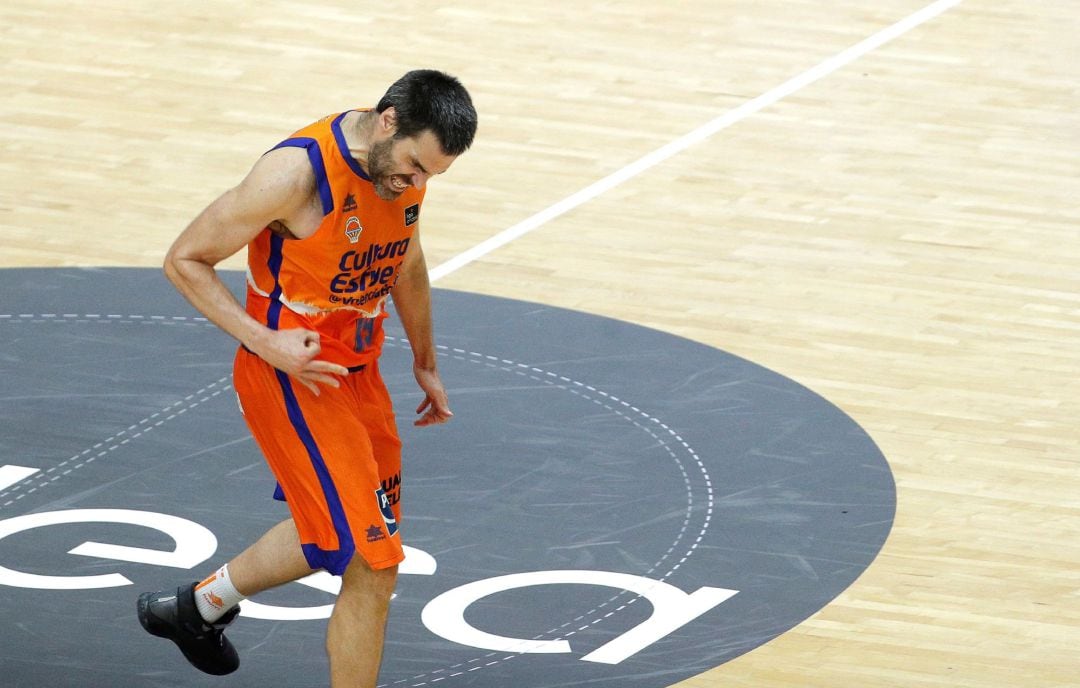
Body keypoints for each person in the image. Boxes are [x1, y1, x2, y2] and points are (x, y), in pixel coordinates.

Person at [136, 69, 477, 687]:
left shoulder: (395, 168)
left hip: (360, 375)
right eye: (413, 166)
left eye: (430, 176)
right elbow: (184, 259)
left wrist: (424, 359)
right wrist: (267, 342)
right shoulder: (294, 176)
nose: (417, 184)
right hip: (293, 376)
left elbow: (406, 257)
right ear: (389, 120)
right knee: (373, 563)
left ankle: (198, 608)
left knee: (338, 533)